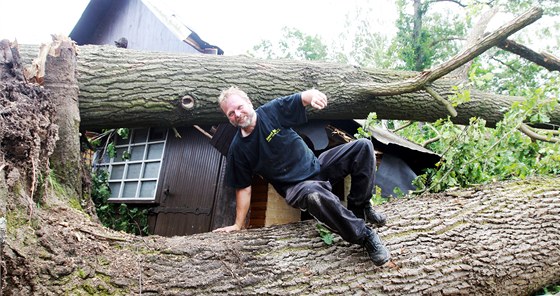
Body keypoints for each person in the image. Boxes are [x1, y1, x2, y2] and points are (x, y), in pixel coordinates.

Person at [214, 86, 390, 266]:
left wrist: (313, 96)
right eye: (231, 113)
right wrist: (238, 224)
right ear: (229, 119)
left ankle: (361, 208)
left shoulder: (271, 111)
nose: (237, 114)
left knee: (363, 146)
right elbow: (243, 187)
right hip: (296, 187)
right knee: (313, 195)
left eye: (239, 107)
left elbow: (301, 98)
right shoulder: (238, 149)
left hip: (317, 166)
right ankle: (365, 236)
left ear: (249, 102)